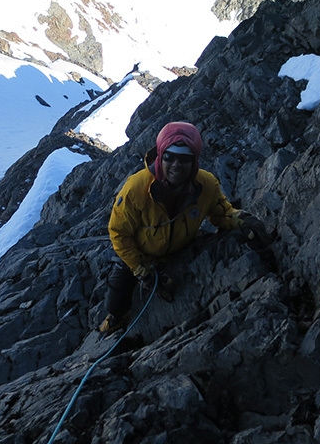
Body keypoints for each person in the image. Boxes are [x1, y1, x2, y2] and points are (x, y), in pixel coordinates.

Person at [99, 121, 266, 334]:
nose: (176, 164)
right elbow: (119, 234)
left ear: (194, 160)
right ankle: (116, 318)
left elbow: (221, 214)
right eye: (170, 156)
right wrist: (142, 270)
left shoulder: (206, 184)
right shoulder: (136, 189)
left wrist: (241, 220)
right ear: (160, 155)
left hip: (181, 247)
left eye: (185, 158)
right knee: (117, 292)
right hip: (142, 254)